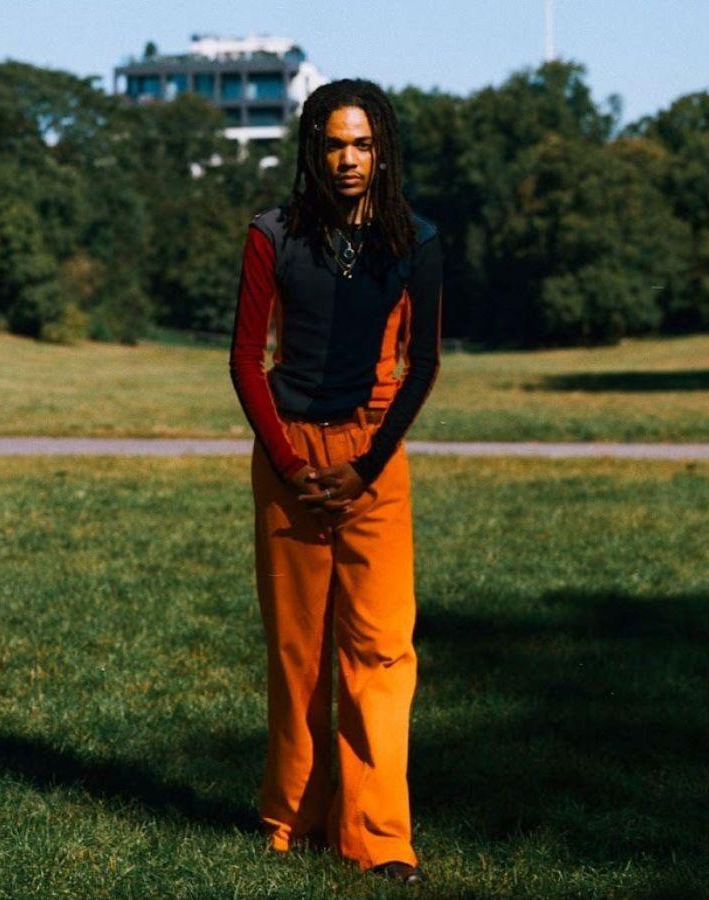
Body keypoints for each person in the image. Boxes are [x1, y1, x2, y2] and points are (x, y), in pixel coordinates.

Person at [228, 78, 443, 888]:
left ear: (381, 150)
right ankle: (292, 820)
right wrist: (291, 467)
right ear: (312, 151)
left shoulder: (417, 241)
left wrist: (365, 467)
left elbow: (423, 363)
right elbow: (245, 360)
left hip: (374, 457)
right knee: (299, 654)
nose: (348, 159)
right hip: (289, 452)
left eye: (362, 144)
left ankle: (379, 837)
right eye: (333, 144)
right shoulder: (272, 235)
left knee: (381, 649)